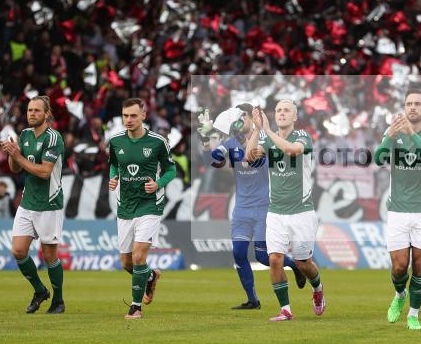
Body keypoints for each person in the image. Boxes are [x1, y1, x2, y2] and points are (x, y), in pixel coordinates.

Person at [200, 104, 305, 310]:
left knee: (262, 257)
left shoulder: (265, 141)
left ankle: (295, 266)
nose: (240, 121)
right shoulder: (230, 142)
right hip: (241, 209)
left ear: (251, 118)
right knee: (238, 254)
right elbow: (212, 161)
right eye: (237, 118)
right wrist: (206, 138)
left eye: (243, 117)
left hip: (263, 207)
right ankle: (252, 300)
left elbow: (256, 161)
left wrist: (246, 146)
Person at [245, 100, 324, 322]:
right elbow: (249, 157)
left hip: (302, 212)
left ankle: (317, 288)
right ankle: (285, 309)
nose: (281, 113)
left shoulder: (303, 136)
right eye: (278, 110)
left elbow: (291, 150)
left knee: (303, 263)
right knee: (275, 259)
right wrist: (257, 129)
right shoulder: (268, 138)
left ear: (295, 116)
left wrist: (267, 131)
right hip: (276, 212)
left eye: (286, 110)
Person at [375, 89, 421, 330]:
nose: (412, 107)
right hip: (397, 210)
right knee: (399, 266)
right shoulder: (393, 131)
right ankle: (400, 295)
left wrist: (411, 134)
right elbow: (378, 158)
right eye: (408, 104)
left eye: (417, 103)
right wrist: (389, 136)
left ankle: (413, 315)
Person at [108, 98, 177, 320]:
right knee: (126, 262)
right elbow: (113, 164)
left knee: (138, 256)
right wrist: (113, 178)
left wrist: (158, 184)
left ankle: (136, 307)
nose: (128, 120)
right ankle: (150, 277)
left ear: (143, 116)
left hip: (150, 204)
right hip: (125, 205)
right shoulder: (116, 141)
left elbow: (171, 170)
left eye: (133, 115)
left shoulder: (157, 142)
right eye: (125, 115)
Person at [0, 96, 66, 314]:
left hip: (49, 204)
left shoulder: (54, 138)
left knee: (49, 257)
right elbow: (16, 169)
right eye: (29, 110)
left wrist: (17, 156)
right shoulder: (25, 135)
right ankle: (40, 290)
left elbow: (45, 172)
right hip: (28, 203)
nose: (32, 114)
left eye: (37, 110)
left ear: (47, 114)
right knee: (18, 251)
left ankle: (58, 300)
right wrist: (11, 153)